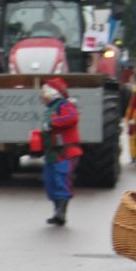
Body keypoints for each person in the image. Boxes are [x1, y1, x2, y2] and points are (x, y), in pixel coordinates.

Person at [38, 77, 82, 226]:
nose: (42, 96)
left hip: (65, 152)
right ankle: (56, 211)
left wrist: (52, 123)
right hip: (52, 153)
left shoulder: (64, 105)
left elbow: (72, 117)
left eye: (44, 92)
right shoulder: (50, 109)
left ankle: (61, 213)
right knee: (51, 182)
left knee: (61, 180)